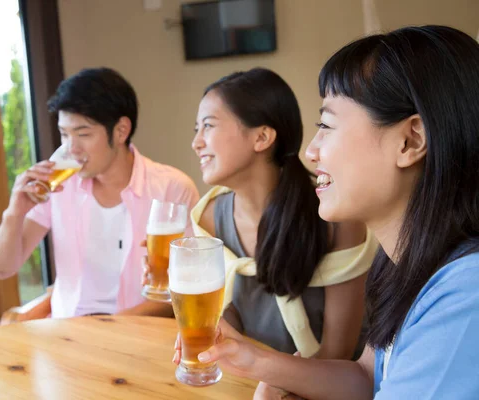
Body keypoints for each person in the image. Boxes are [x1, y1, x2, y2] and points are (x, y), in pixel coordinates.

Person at [176, 25, 479, 399]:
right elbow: (367, 378)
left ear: (410, 140)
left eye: (327, 125)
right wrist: (252, 360)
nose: (311, 151)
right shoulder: (403, 258)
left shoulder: (465, 293)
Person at [150, 67, 378, 362]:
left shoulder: (336, 216)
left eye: (208, 126)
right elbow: (229, 311)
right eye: (197, 129)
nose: (196, 142)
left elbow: (338, 352)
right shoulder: (207, 217)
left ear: (262, 137)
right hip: (252, 381)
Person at [0, 67, 199, 318]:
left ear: (121, 130)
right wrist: (15, 211)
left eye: (83, 134)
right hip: (68, 335)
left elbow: (189, 289)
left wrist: (108, 329)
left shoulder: (171, 188)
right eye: (64, 134)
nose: (71, 149)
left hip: (139, 335)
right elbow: (2, 268)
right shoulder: (59, 185)